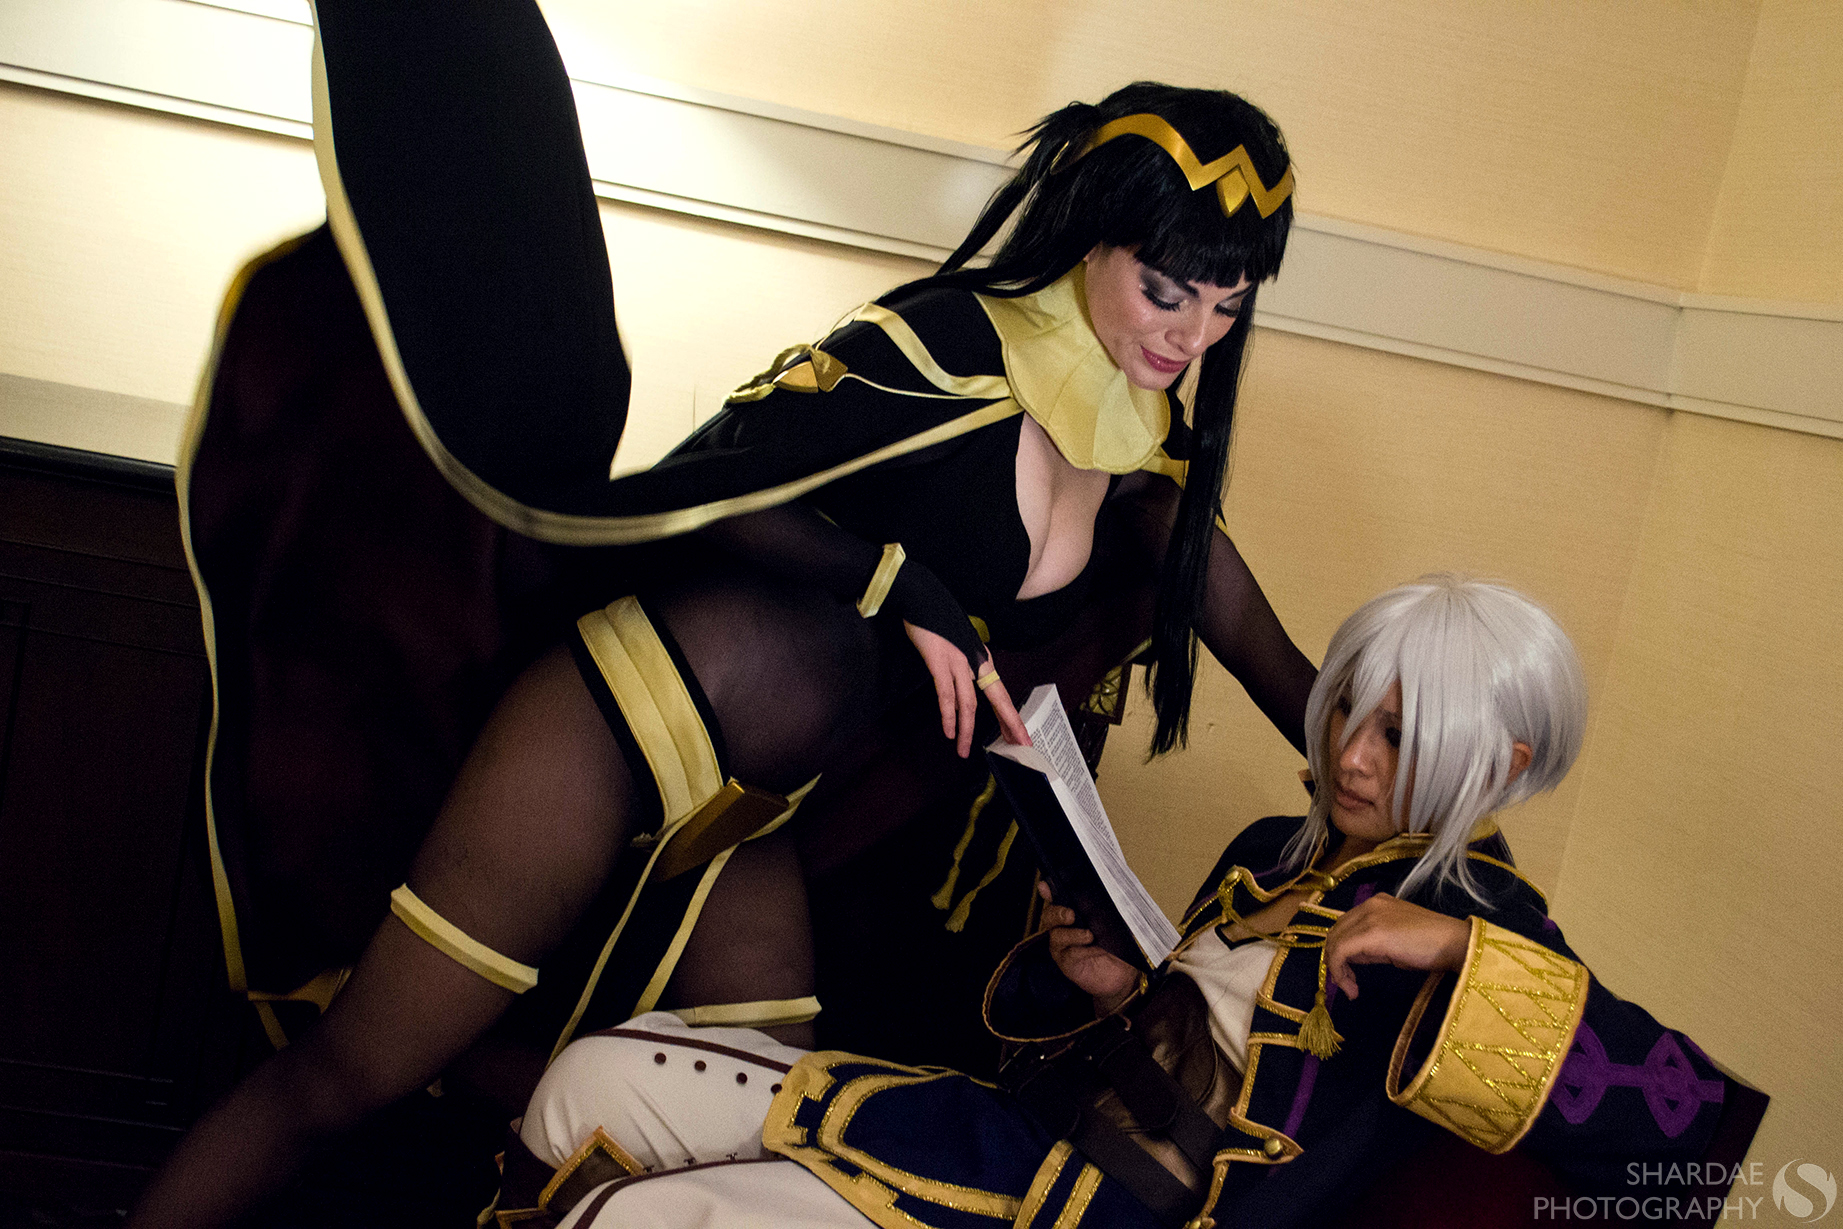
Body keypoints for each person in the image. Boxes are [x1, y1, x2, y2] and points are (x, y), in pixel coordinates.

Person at [133, 2, 1316, 1222]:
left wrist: (1415, 799)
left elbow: (1282, 670)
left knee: (764, 1141)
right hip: (624, 718)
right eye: (1166, 291)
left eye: (1226, 306)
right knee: (350, 1072)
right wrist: (896, 582)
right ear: (1091, 239)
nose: (1190, 335)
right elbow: (721, 489)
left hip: (761, 808)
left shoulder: (1150, 475)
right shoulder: (948, 344)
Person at [498, 577, 1739, 1229]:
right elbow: (1147, 1057)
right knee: (583, 1081)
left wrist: (1463, 946)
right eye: (1349, 710)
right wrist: (1102, 985)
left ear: (1502, 764)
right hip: (1005, 1142)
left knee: (634, 1215)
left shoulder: (1486, 924)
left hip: (1086, 1215)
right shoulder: (1272, 850)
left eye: (1400, 734)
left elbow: (1683, 1131)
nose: (1349, 754)